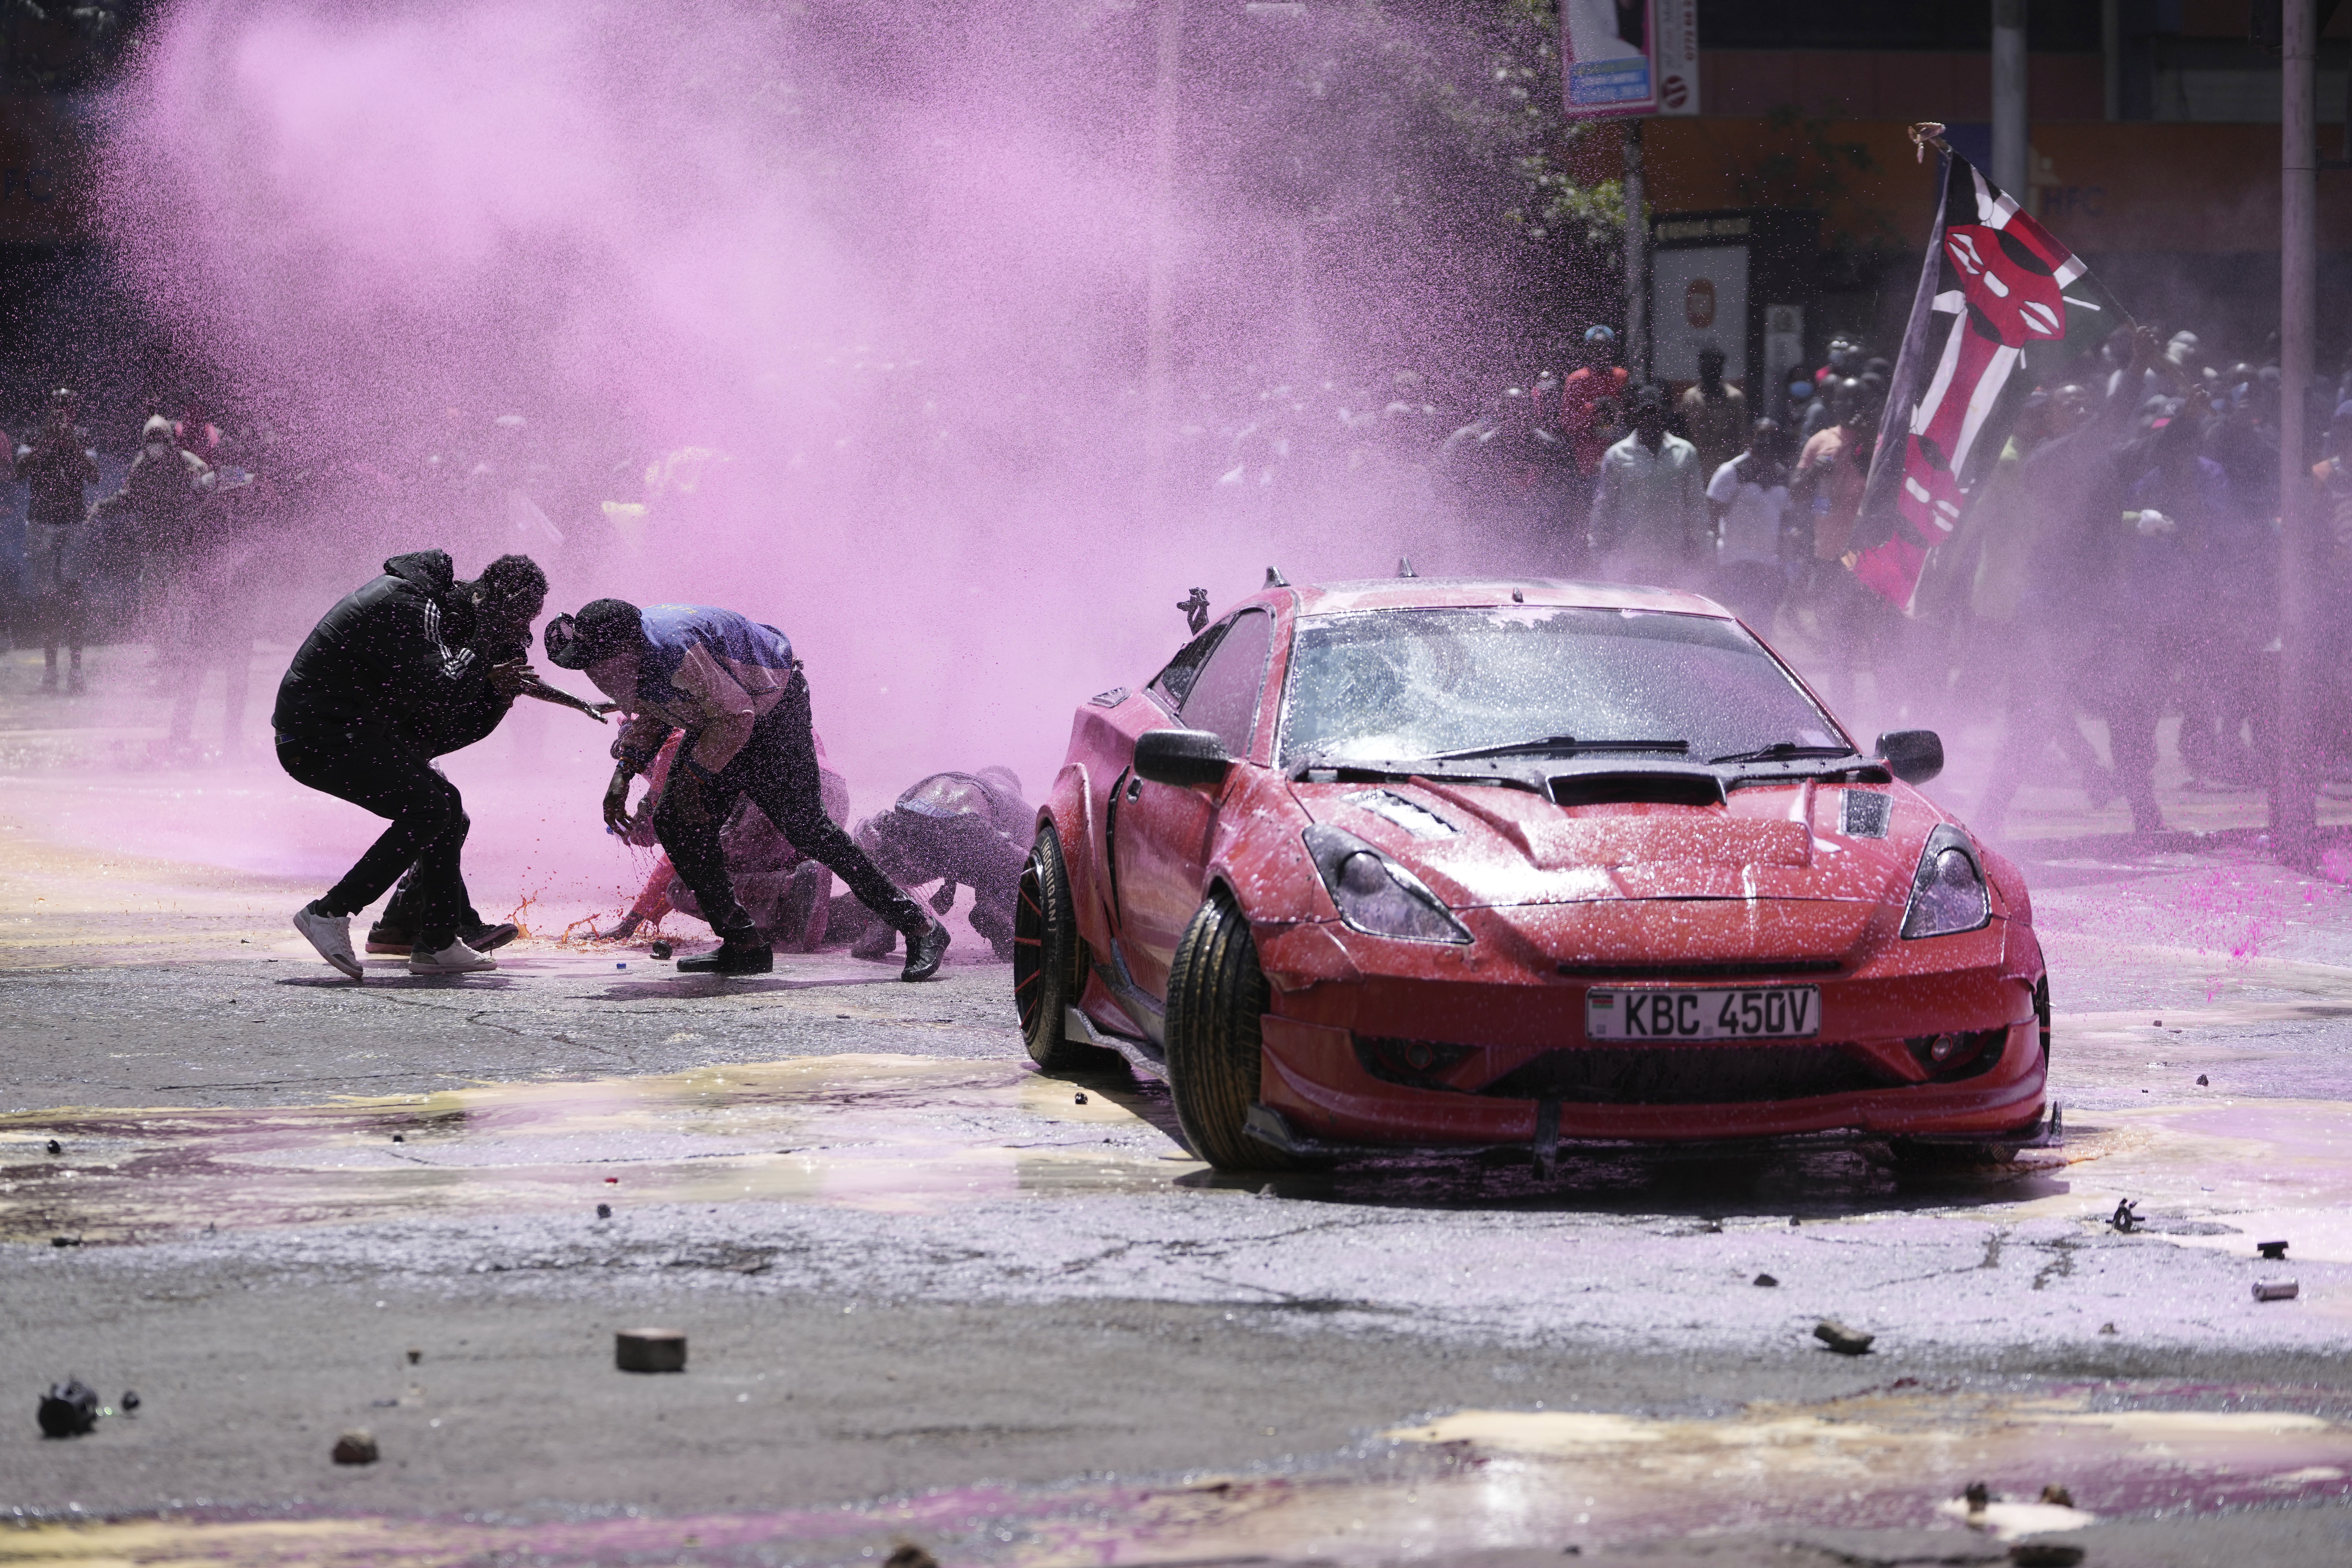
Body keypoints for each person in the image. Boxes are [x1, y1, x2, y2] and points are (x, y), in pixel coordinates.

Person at [546, 598, 948, 979]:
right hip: (724, 719)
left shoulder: (676, 655)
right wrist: (623, 777)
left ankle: (920, 926)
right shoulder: (640, 658)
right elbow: (657, 709)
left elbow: (739, 716)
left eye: (599, 666)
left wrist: (695, 780)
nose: (596, 678)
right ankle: (744, 942)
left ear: (628, 651)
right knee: (675, 821)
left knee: (808, 829)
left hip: (771, 713)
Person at [275, 550, 542, 979]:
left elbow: (446, 716)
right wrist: (485, 652)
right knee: (431, 808)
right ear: (493, 602)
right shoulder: (414, 603)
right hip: (318, 736)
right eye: (518, 616)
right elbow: (446, 685)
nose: (522, 630)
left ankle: (437, 943)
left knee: (446, 806)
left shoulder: (428, 606)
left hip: (344, 730)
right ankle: (329, 912)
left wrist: (496, 691)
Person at [363, 557, 555, 956]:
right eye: (522, 611)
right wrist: (484, 663)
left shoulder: (502, 629)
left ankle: (397, 927)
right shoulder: (451, 614)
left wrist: (580, 703)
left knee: (446, 817)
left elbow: (517, 678)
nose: (527, 623)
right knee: (445, 816)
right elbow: (436, 677)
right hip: (397, 729)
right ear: (501, 598)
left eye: (533, 614)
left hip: (423, 736)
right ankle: (452, 925)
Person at [840, 767, 1035, 963]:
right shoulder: (1015, 802)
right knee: (1020, 868)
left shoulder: (947, 778)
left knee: (874, 858)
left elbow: (908, 810)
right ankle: (995, 910)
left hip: (915, 830)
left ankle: (883, 920)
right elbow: (1030, 857)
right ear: (1014, 786)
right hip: (970, 839)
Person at [14, 390, 97, 693]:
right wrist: (49, 441)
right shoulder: (34, 435)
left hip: (73, 522)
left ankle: (76, 670)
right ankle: (51, 670)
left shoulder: (83, 436)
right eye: (59, 407)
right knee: (47, 599)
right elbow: (19, 472)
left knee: (74, 597)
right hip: (41, 522)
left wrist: (70, 444)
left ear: (75, 410)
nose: (64, 412)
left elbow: (93, 476)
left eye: (69, 407)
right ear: (51, 409)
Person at [1587, 384, 1706, 586]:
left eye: (1656, 413)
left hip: (1672, 556)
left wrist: (1698, 542)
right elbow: (1605, 504)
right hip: (1629, 556)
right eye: (1645, 413)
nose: (1651, 419)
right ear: (1635, 416)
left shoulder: (1685, 452)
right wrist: (1599, 546)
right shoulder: (1617, 455)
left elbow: (1696, 503)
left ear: (1665, 415)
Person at [1704, 418, 1793, 630]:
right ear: (1749, 438)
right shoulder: (1731, 471)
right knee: (1735, 625)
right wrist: (1710, 558)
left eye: (1773, 436)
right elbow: (1711, 517)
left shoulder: (1782, 475)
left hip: (1769, 563)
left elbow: (1786, 521)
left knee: (1763, 626)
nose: (1767, 441)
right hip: (1736, 561)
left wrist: (1786, 560)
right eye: (1762, 435)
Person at [1678, 345, 1748, 479]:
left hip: (1726, 466)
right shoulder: (1691, 397)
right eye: (1707, 369)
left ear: (1721, 370)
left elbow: (1742, 435)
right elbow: (1684, 432)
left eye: (1714, 369)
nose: (1710, 373)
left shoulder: (1734, 398)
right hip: (1696, 464)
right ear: (1700, 370)